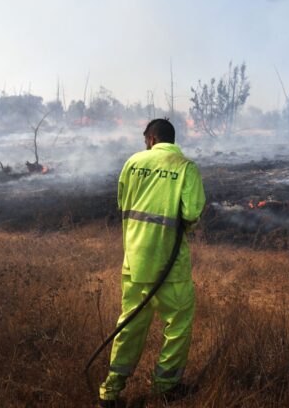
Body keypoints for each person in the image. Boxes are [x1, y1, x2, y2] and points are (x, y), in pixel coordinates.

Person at [99, 119, 205, 407]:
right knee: (178, 325)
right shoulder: (185, 167)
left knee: (129, 326)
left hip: (134, 263)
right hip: (171, 268)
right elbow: (193, 212)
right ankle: (165, 387)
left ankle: (111, 391)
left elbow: (123, 203)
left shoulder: (132, 163)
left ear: (151, 138)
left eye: (145, 139)